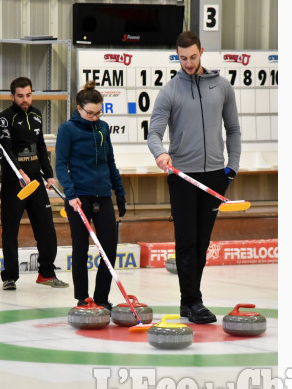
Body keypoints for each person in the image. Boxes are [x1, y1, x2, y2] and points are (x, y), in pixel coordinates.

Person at [147, 31, 242, 324]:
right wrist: (160, 154)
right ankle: (193, 301)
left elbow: (234, 130)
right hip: (183, 176)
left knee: (202, 242)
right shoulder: (170, 91)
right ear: (177, 55)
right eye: (182, 58)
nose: (188, 63)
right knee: (186, 240)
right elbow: (153, 133)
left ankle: (189, 302)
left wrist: (232, 168)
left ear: (201, 51)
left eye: (192, 57)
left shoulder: (222, 87)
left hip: (215, 176)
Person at [55, 80, 127, 310]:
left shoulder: (103, 128)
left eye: (98, 113)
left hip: (103, 195)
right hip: (79, 197)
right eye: (90, 113)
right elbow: (60, 164)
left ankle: (101, 298)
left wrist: (120, 191)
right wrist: (70, 194)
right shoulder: (68, 129)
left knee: (109, 248)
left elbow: (111, 161)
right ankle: (82, 298)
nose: (95, 117)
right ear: (79, 109)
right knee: (81, 248)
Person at [0, 77, 68, 290]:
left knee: (46, 228)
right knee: (10, 230)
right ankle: (9, 277)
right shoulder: (4, 119)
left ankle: (46, 273)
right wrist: (19, 172)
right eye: (20, 96)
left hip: (36, 182)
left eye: (28, 95)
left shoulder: (36, 115)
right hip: (14, 184)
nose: (25, 100)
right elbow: (6, 150)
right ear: (12, 97)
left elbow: (40, 146)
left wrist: (49, 174)